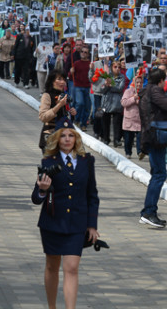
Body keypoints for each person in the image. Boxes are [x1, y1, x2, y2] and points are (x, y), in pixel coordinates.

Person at [31, 118, 100, 309]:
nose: (67, 139)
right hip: (52, 223)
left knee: (72, 268)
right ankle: (52, 306)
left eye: (71, 135)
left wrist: (92, 225)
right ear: (56, 139)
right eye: (63, 136)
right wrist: (43, 190)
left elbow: (92, 195)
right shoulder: (48, 161)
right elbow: (36, 198)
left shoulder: (87, 161)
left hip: (77, 224)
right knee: (52, 267)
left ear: (77, 138)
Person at [139, 67, 167, 229]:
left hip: (154, 136)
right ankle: (148, 212)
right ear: (161, 80)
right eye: (165, 79)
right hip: (155, 136)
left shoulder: (149, 90)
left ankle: (150, 211)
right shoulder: (154, 91)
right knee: (159, 175)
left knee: (157, 174)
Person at [38, 72, 77, 151]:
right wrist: (59, 105)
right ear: (52, 81)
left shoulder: (64, 95)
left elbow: (65, 117)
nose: (62, 82)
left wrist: (72, 113)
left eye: (64, 80)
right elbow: (43, 117)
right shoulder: (47, 95)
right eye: (59, 79)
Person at [121, 72, 144, 159]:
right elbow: (124, 103)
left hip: (139, 120)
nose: (138, 84)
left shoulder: (143, 91)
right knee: (128, 139)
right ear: (134, 82)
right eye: (137, 82)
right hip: (129, 119)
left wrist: (140, 101)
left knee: (140, 137)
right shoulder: (128, 91)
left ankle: (139, 152)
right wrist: (133, 98)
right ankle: (128, 152)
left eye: (140, 82)